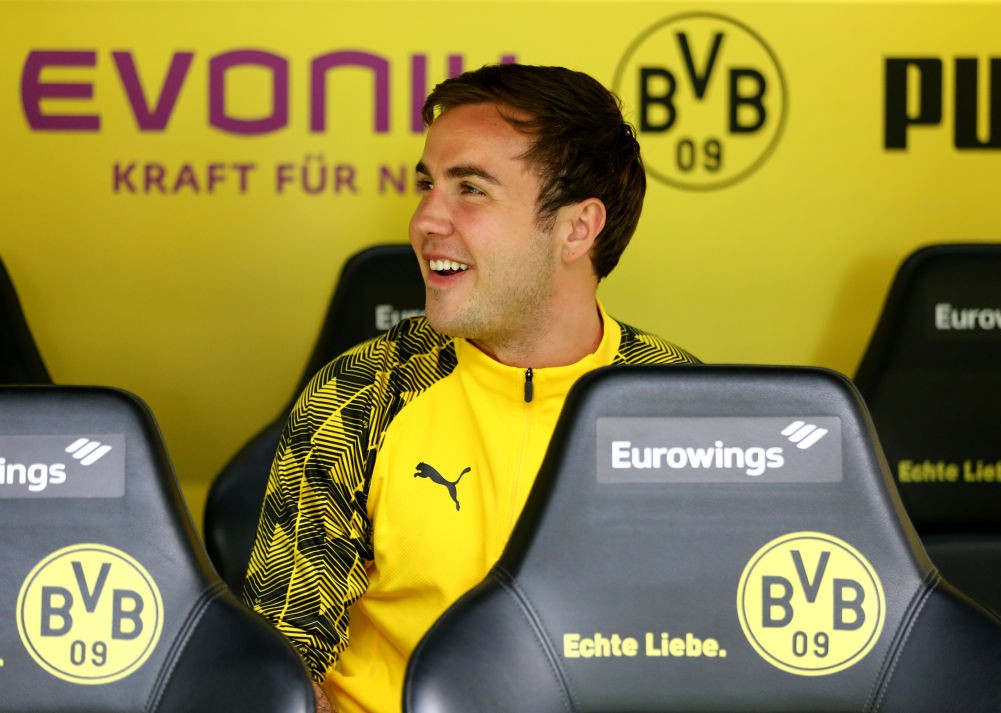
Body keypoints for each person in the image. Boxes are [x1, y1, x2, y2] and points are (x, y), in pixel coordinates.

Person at [242, 63, 699, 713]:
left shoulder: (684, 408)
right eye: (426, 185)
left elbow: (718, 654)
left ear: (577, 227)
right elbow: (281, 663)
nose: (426, 219)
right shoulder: (362, 390)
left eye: (471, 190)